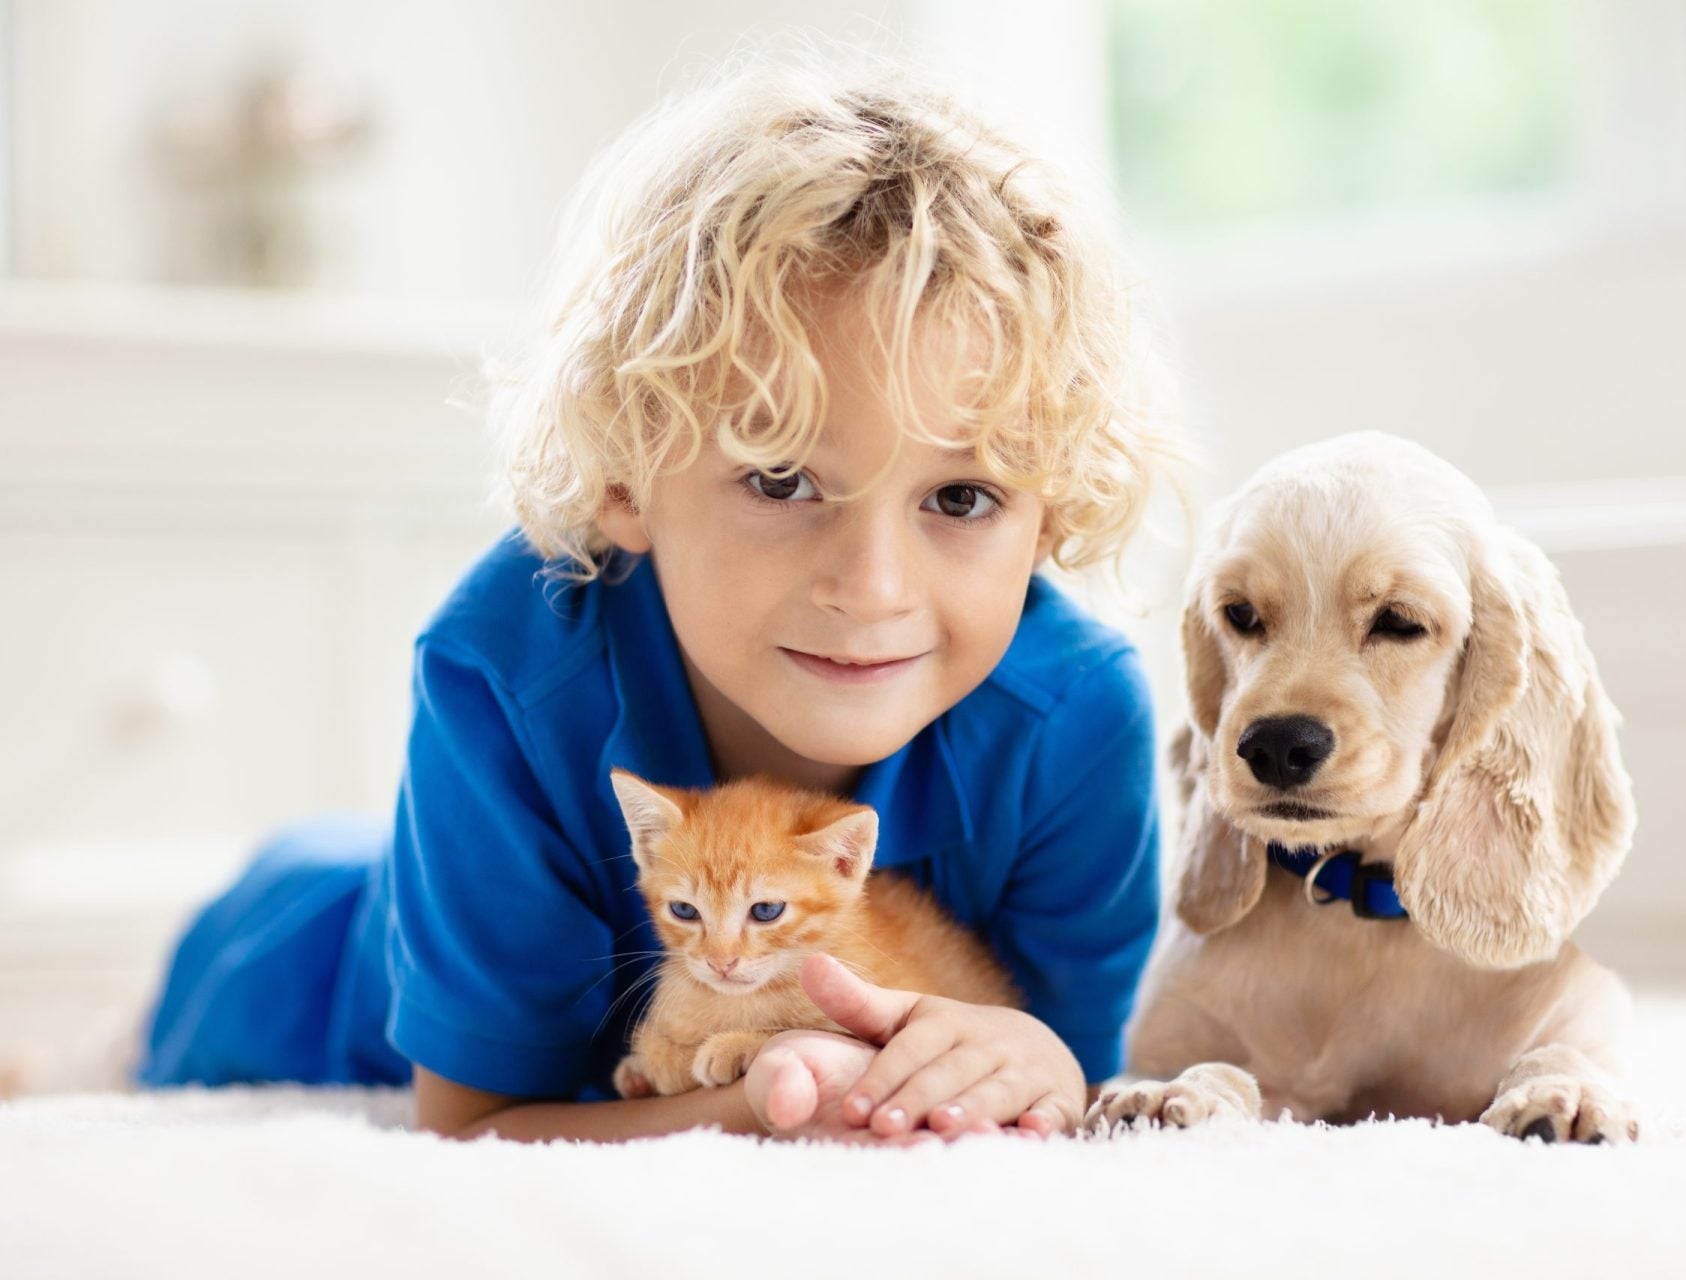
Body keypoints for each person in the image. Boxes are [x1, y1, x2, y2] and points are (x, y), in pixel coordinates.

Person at [137, 55, 1180, 1145]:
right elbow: (475, 1121)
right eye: (781, 479)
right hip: (309, 956)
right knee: (205, 993)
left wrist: (1043, 1058)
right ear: (627, 476)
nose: (872, 589)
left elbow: (1074, 1070)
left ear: (1048, 512)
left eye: (961, 496)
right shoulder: (501, 670)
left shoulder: (1078, 719)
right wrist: (757, 1103)